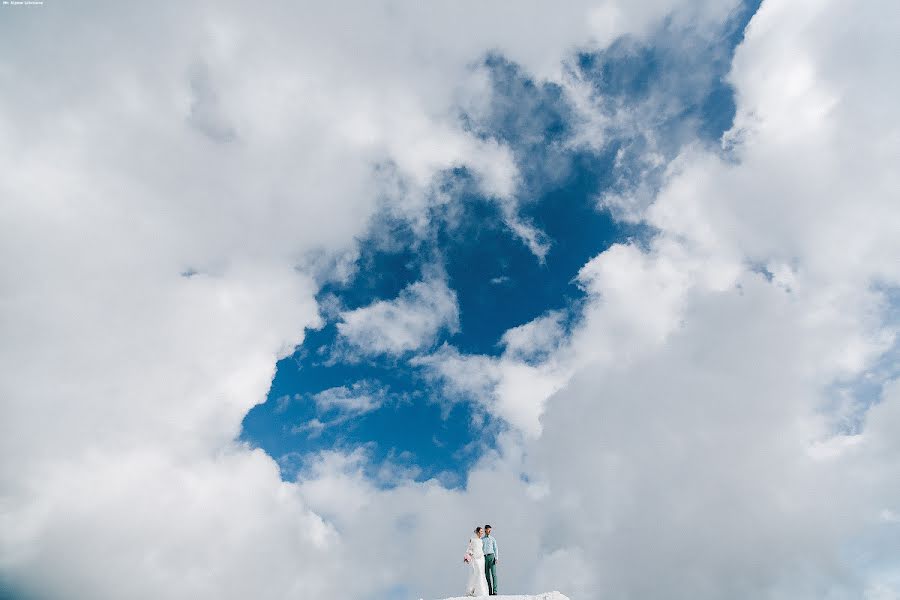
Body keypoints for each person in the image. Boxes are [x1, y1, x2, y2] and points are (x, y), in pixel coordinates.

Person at [463, 526, 489, 597]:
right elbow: (469, 549)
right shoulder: (472, 539)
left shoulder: (481, 540)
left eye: (482, 532)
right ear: (477, 532)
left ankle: (481, 591)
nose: (482, 533)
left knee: (481, 573)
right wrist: (469, 554)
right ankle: (472, 590)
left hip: (481, 558)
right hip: (475, 559)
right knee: (477, 572)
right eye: (480, 532)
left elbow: (481, 549)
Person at [482, 524, 498, 596]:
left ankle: (495, 591)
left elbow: (495, 548)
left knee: (494, 574)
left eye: (490, 530)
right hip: (484, 557)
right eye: (488, 530)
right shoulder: (482, 539)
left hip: (491, 556)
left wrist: (496, 558)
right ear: (485, 530)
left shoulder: (493, 539)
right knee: (487, 575)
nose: (489, 531)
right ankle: (489, 591)